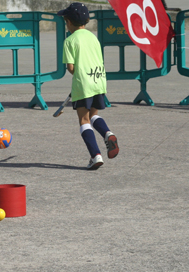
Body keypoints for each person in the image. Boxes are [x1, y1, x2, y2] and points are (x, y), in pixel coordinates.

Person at [57, 2, 119, 170]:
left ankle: (95, 155)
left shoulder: (69, 41)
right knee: (94, 115)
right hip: (99, 81)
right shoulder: (93, 37)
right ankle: (108, 134)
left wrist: (80, 78)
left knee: (84, 120)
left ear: (69, 22)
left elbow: (71, 68)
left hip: (83, 84)